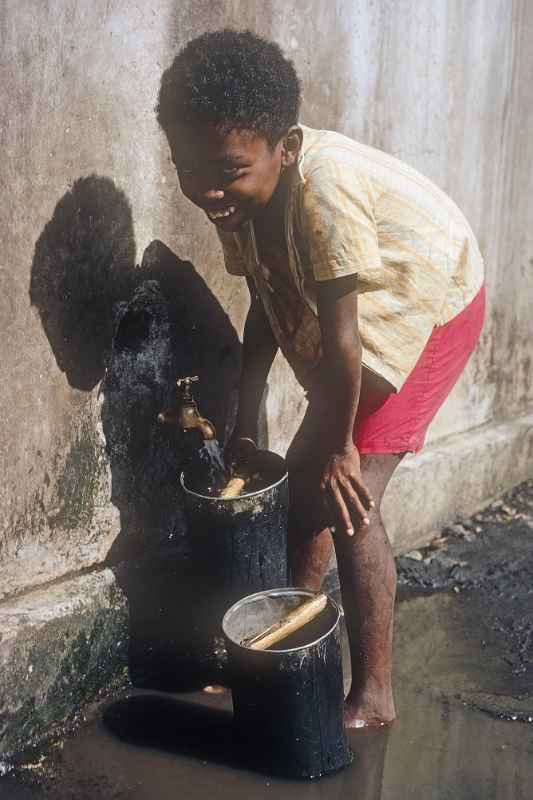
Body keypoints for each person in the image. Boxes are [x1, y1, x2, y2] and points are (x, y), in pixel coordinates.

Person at [156, 29, 485, 728]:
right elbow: (262, 309)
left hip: (430, 300)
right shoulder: (235, 197)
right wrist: (247, 419)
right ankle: (284, 653)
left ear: (288, 148)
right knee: (304, 485)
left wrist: (339, 447)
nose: (208, 188)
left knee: (347, 495)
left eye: (227, 169)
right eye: (190, 169)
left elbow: (343, 337)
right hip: (360, 317)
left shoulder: (321, 190)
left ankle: (374, 695)